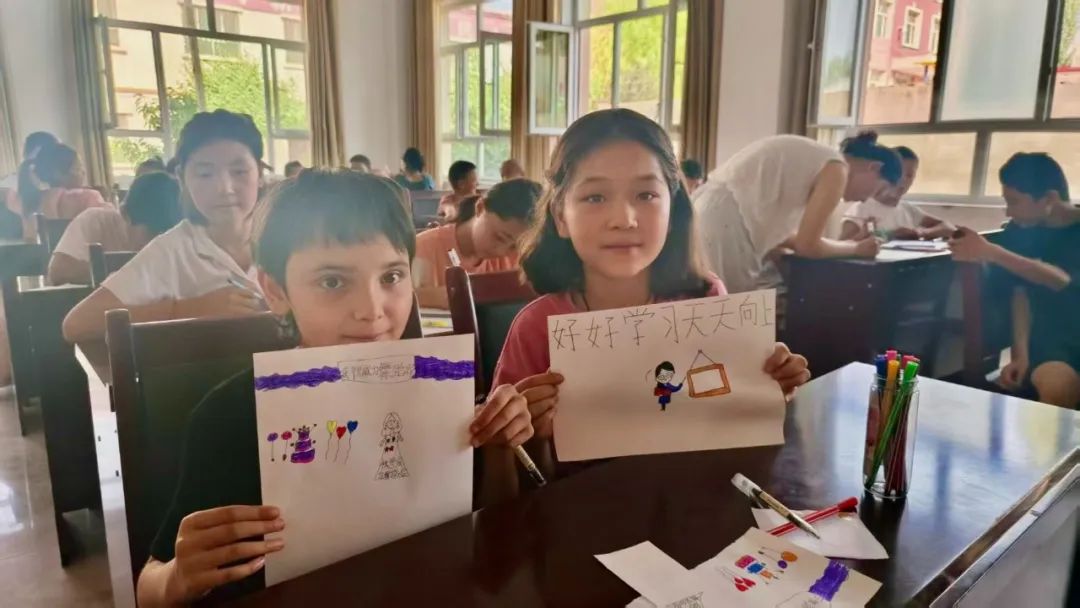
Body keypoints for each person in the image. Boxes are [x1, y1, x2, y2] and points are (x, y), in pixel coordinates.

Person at [134, 171, 533, 606]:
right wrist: (178, 577)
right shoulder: (229, 416)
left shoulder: (440, 391)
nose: (371, 310)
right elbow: (148, 588)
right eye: (332, 282)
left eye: (391, 277)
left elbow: (489, 535)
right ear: (275, 290)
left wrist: (500, 447)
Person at [491, 109, 811, 478]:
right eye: (595, 197)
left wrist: (768, 387)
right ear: (561, 217)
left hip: (693, 500)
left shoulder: (706, 302)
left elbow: (731, 442)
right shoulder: (536, 327)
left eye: (646, 194)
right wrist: (528, 435)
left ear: (672, 210)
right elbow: (513, 476)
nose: (623, 219)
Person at [62, 110, 268, 344]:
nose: (225, 188)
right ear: (181, 177)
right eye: (205, 174)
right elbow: (77, 324)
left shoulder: (287, 237)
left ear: (260, 174)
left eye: (239, 171)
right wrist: (191, 310)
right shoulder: (172, 251)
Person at [950, 153, 1080, 409]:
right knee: (1057, 385)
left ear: (1049, 199)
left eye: (1014, 201)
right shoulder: (1018, 232)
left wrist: (992, 252)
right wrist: (1021, 355)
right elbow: (1019, 294)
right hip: (1052, 339)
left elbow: (1062, 281)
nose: (1008, 211)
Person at [692, 132, 898, 293]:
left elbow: (786, 238)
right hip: (727, 224)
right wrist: (856, 249)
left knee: (709, 312)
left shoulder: (820, 158)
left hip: (708, 212)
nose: (865, 199)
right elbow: (808, 246)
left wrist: (849, 245)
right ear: (874, 168)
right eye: (877, 190)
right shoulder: (837, 169)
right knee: (728, 319)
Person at [414, 178, 542, 309]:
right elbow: (402, 299)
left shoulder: (520, 259)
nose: (500, 252)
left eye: (514, 247)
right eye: (499, 238)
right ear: (480, 208)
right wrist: (429, 297)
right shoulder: (421, 250)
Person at [47, 171, 183, 285]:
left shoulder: (184, 232)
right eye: (152, 232)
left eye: (165, 233)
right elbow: (58, 272)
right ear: (124, 214)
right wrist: (129, 270)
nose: (158, 241)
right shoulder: (95, 221)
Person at [840, 145, 954, 241]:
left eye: (909, 175)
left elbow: (949, 227)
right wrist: (886, 236)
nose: (902, 181)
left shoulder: (909, 210)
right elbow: (841, 246)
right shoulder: (861, 209)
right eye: (899, 174)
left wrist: (920, 232)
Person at [14, 142, 109, 240]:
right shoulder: (88, 197)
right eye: (78, 168)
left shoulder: (31, 202)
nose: (83, 172)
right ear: (58, 174)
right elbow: (110, 228)